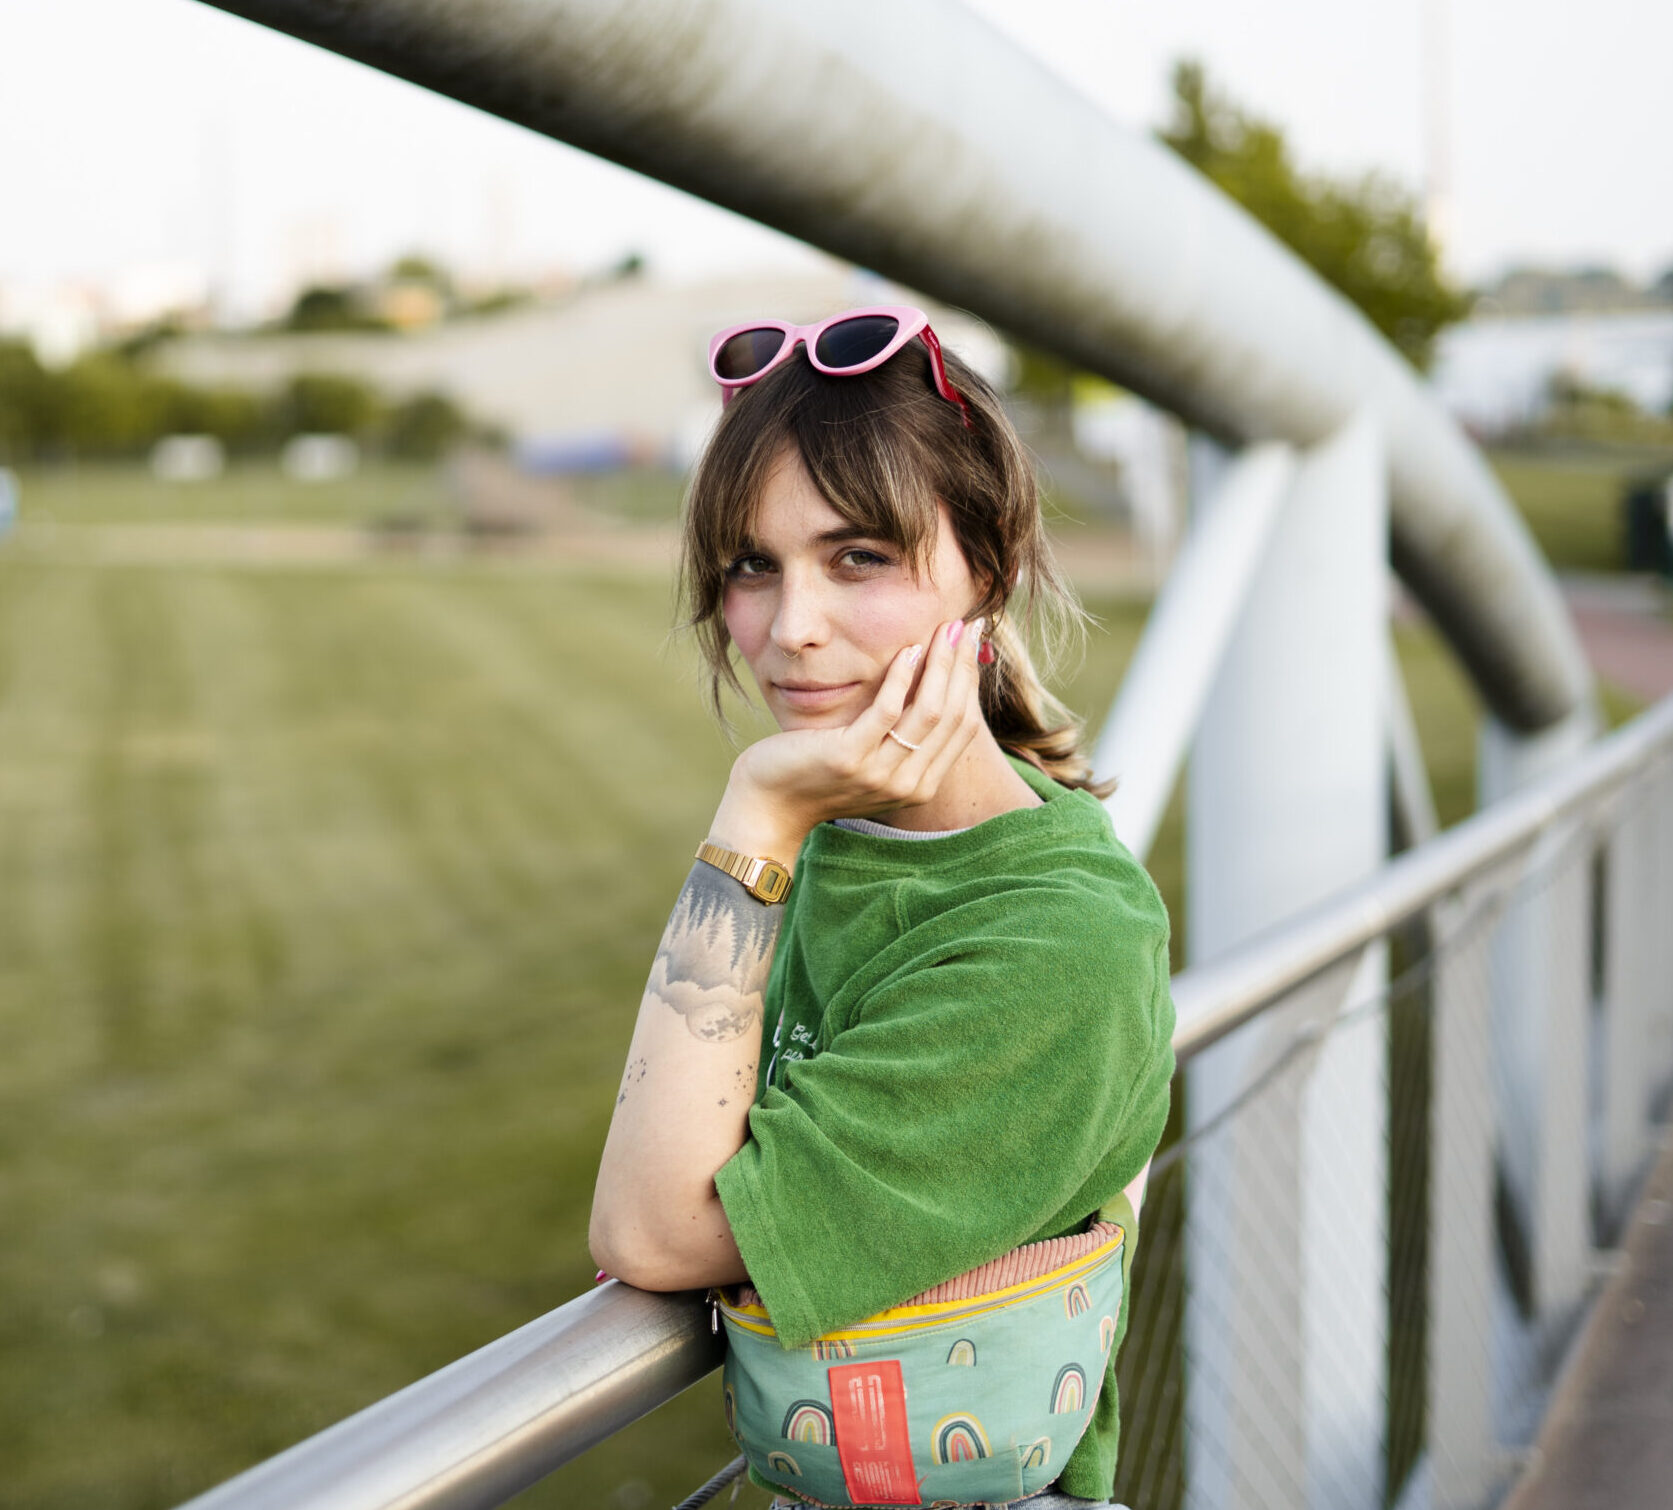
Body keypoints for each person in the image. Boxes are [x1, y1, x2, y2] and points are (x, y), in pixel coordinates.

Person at [590, 307, 1174, 1509]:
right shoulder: (838, 842)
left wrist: (752, 815)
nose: (789, 630)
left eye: (858, 557)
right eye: (752, 565)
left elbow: (652, 1233)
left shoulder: (1055, 935)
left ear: (988, 571)